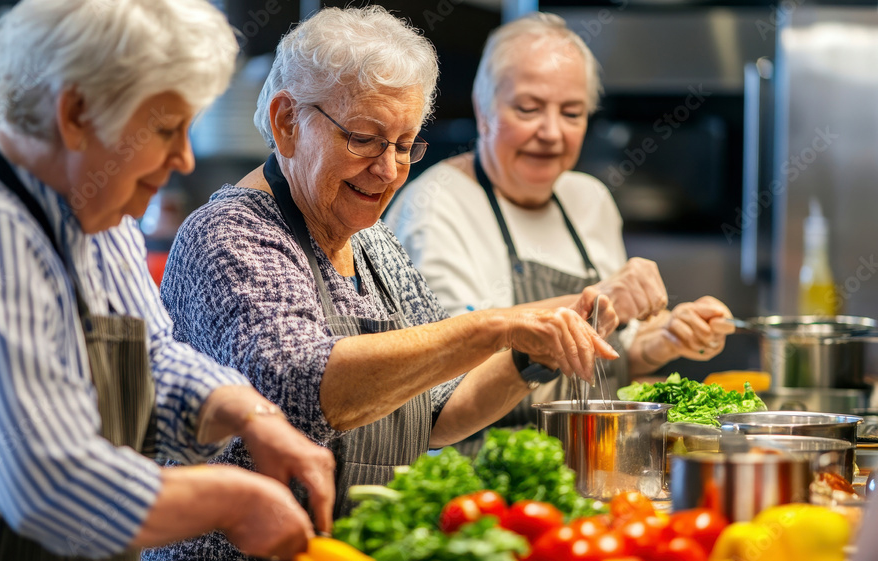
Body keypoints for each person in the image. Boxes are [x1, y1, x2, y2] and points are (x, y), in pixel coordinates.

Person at [154, 6, 620, 560]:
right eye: (365, 139)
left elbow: (441, 410)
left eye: (405, 144)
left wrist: (529, 356)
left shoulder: (374, 243)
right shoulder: (231, 234)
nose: (389, 169)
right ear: (287, 122)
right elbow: (301, 387)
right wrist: (492, 327)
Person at [0, 1, 336, 560]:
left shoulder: (96, 212)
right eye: (165, 129)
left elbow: (149, 357)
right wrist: (232, 502)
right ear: (75, 114)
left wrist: (250, 413)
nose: (185, 159)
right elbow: (48, 486)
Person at [385, 12, 735, 440]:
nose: (551, 132)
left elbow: (609, 357)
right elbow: (447, 374)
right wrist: (594, 303)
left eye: (571, 113)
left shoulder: (590, 200)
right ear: (483, 109)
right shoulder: (435, 205)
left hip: (592, 455)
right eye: (528, 109)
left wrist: (663, 339)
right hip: (483, 462)